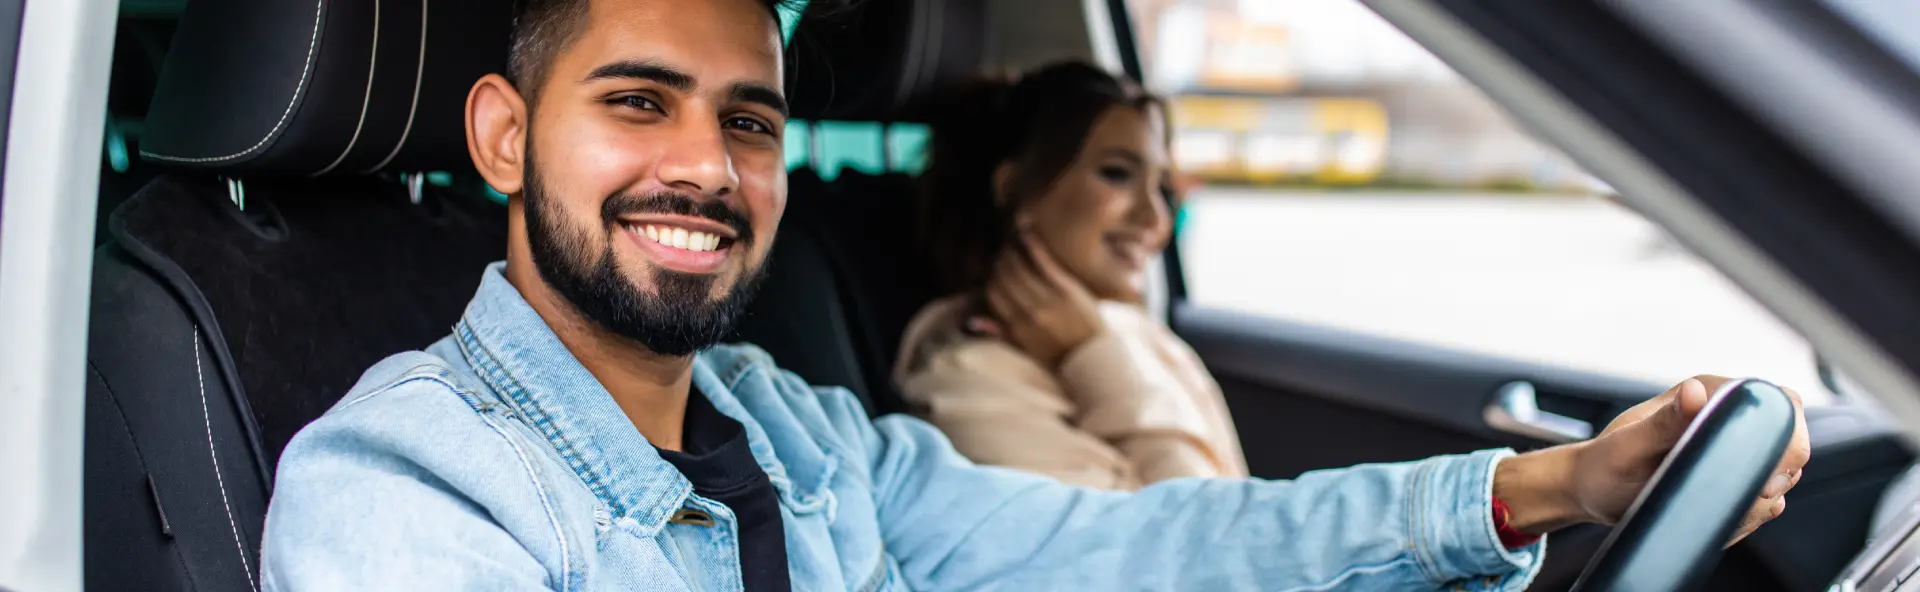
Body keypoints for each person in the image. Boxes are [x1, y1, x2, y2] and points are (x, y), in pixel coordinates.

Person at [258, 0, 1811, 590]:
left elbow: (1138, 541)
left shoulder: (796, 438)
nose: (708, 167)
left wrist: (1546, 488)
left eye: (750, 119)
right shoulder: (406, 486)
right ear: (505, 136)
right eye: (640, 103)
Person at [896, 63, 1245, 488]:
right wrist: (1093, 357)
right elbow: (1203, 530)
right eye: (1116, 174)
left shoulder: (1134, 331)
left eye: (1163, 189)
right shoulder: (964, 382)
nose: (1155, 217)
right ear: (1013, 189)